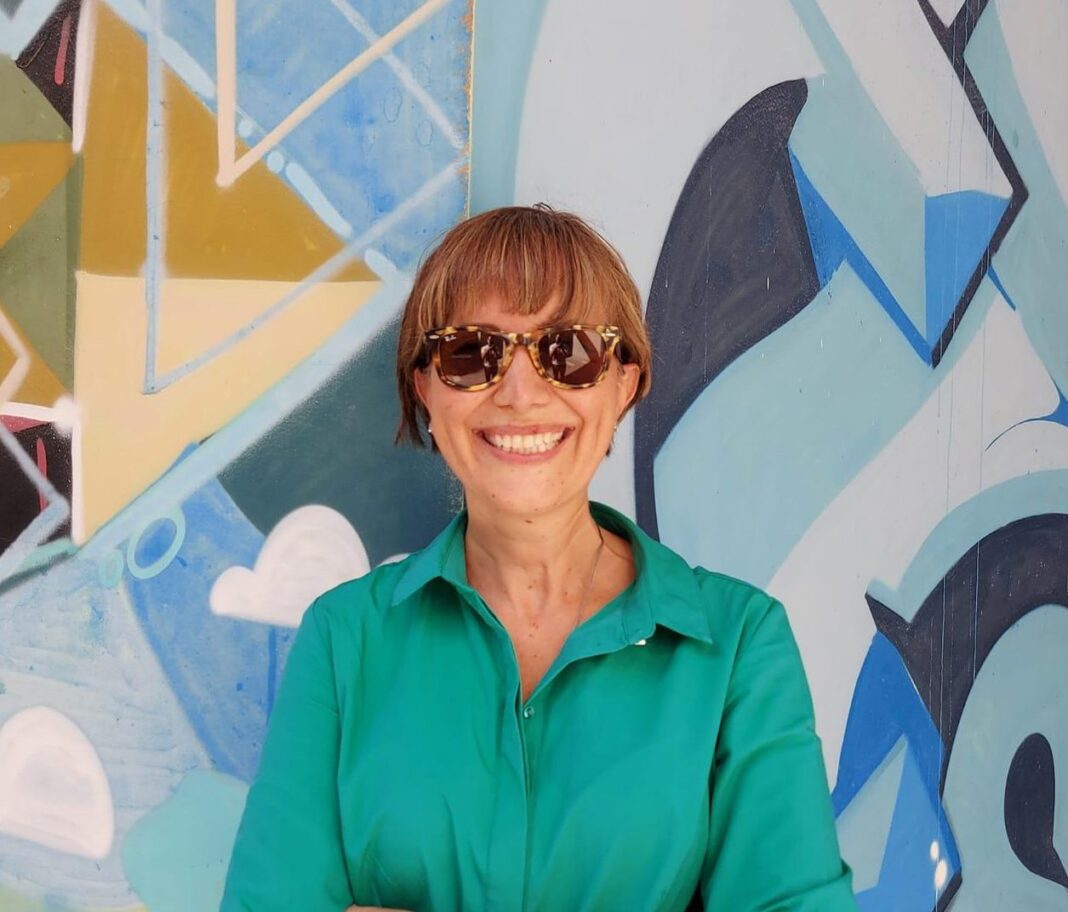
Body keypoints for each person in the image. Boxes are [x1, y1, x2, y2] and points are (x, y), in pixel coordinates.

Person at [221, 205, 857, 911]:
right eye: (471, 353)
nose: (521, 394)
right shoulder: (345, 640)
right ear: (425, 387)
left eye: (569, 352)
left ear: (625, 383)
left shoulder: (738, 643)